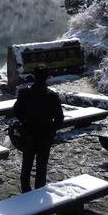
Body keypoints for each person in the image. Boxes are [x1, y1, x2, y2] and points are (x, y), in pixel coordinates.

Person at [13, 64, 64, 192]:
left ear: (33, 76)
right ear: (48, 77)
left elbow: (16, 111)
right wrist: (51, 130)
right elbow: (59, 119)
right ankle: (39, 191)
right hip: (45, 136)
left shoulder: (24, 93)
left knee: (26, 163)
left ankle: (25, 190)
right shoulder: (52, 96)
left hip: (28, 133)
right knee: (42, 166)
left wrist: (24, 121)